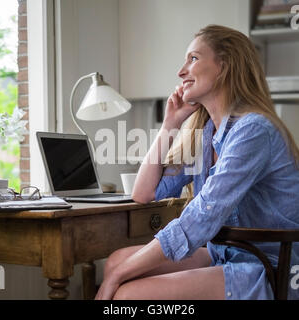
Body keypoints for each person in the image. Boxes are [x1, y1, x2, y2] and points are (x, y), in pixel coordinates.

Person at [95, 25, 299, 300]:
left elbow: (200, 217)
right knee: (115, 263)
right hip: (225, 256)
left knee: (128, 295)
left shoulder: (254, 131)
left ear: (224, 66)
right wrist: (170, 123)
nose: (181, 72)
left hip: (266, 268)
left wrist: (119, 278)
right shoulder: (206, 136)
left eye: (193, 59)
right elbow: (144, 193)